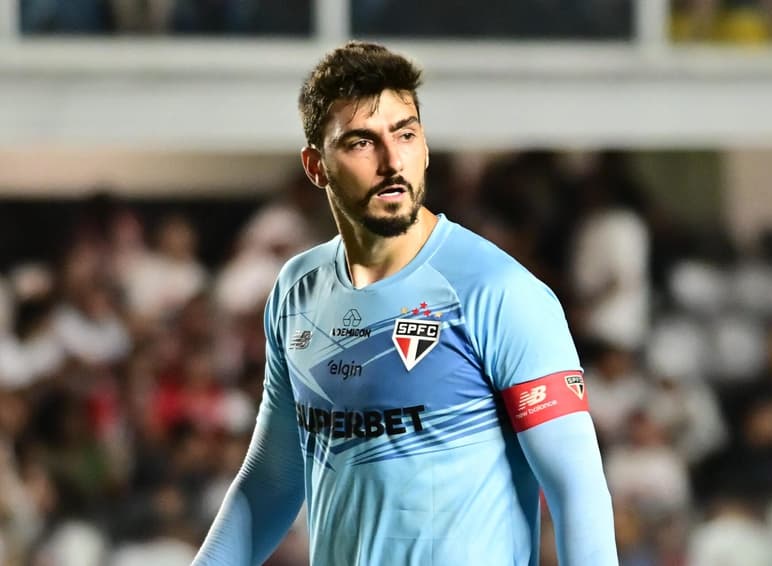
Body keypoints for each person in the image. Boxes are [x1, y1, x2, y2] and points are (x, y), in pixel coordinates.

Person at [192, 41, 617, 566]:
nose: (393, 161)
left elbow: (578, 492)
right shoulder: (297, 290)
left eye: (406, 134)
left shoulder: (500, 292)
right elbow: (272, 482)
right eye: (361, 143)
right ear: (315, 165)